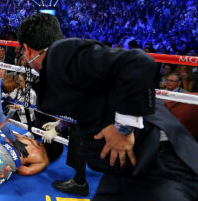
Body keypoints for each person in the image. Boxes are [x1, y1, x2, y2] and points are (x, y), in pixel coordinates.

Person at [17, 13, 198, 200]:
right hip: (125, 166)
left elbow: (139, 62)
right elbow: (92, 98)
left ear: (27, 49)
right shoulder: (60, 66)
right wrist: (61, 125)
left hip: (156, 159)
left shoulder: (60, 54)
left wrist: (123, 128)